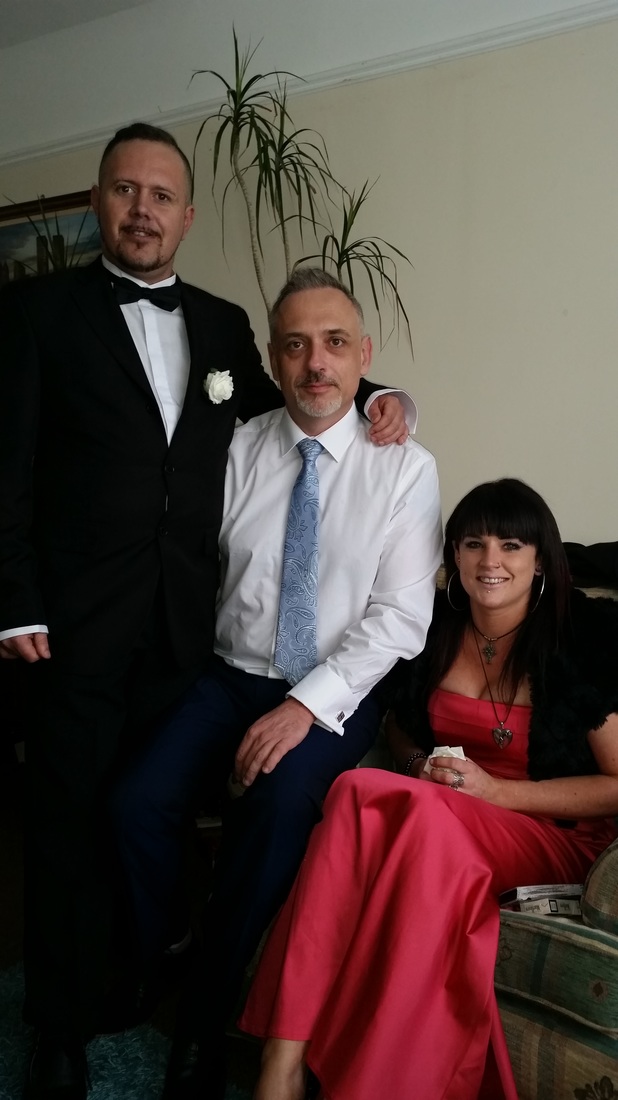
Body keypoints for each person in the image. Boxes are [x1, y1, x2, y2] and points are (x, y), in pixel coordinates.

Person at [0, 123, 411, 1100]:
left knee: (147, 811)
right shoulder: (34, 314)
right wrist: (12, 599)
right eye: (125, 190)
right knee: (64, 823)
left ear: (186, 216)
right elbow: (4, 464)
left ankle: (143, 966)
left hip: (187, 636)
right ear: (99, 202)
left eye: (160, 195)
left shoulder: (225, 326)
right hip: (71, 628)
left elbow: (303, 393)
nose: (142, 209)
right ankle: (59, 1024)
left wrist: (385, 394)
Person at [109, 266, 443, 1098]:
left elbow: (400, 619)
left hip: (336, 691)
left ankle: (205, 1023)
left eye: (334, 344)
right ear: (272, 355)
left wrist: (304, 706)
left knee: (272, 813)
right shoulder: (238, 446)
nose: (315, 363)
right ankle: (172, 939)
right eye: (295, 345)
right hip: (228, 676)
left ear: (364, 354)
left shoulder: (405, 468)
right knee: (134, 805)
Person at [239, 478, 618, 1100]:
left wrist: (496, 793)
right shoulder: (434, 628)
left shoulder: (581, 638)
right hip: (444, 816)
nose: (490, 561)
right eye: (473, 544)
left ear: (540, 561)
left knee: (412, 816)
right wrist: (418, 765)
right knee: (357, 789)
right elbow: (401, 726)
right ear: (453, 556)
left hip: (553, 836)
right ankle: (282, 1062)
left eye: (511, 546)